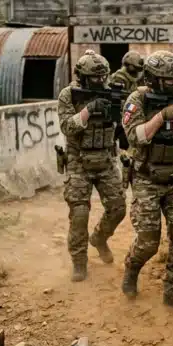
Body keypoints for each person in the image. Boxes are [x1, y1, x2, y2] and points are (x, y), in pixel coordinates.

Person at [119, 51, 173, 307]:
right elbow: (135, 136)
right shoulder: (137, 99)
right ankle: (131, 269)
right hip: (146, 179)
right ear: (153, 79)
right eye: (169, 80)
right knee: (148, 243)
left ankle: (172, 291)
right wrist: (162, 116)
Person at [56, 52, 127, 282]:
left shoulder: (112, 93)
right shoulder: (69, 95)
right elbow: (68, 126)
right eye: (95, 78)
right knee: (79, 213)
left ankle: (99, 238)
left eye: (103, 77)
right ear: (82, 77)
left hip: (106, 158)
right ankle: (79, 262)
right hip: (78, 160)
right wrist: (88, 110)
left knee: (118, 208)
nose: (100, 82)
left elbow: (125, 126)